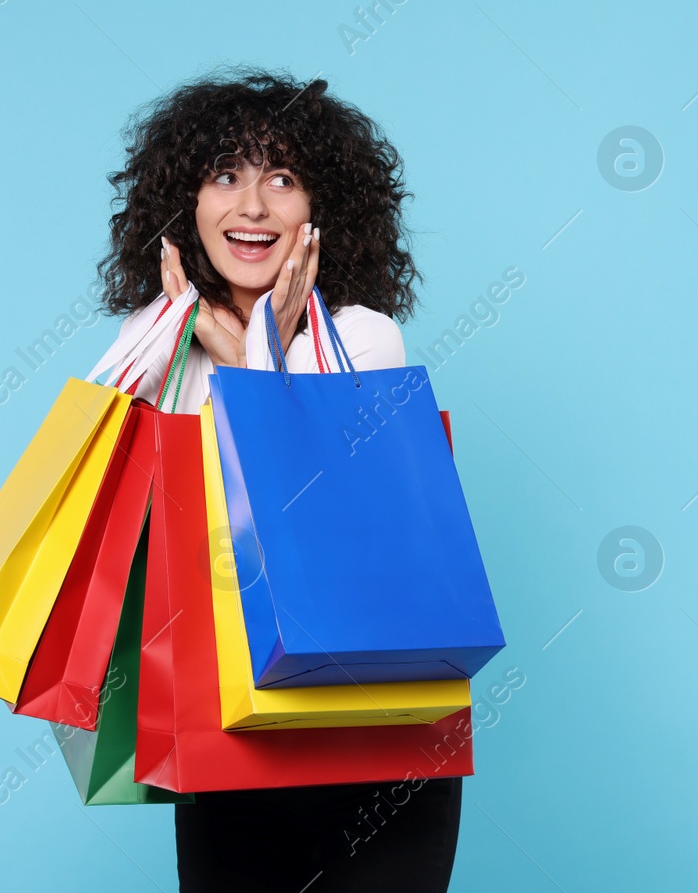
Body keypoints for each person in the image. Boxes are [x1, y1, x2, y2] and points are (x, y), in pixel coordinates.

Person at [96, 69, 462, 892]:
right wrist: (195, 343)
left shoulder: (363, 340)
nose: (252, 207)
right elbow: (130, 516)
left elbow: (309, 508)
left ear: (319, 208)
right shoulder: (150, 344)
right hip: (223, 727)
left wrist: (248, 357)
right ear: (186, 203)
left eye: (282, 179)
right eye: (225, 175)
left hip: (378, 742)